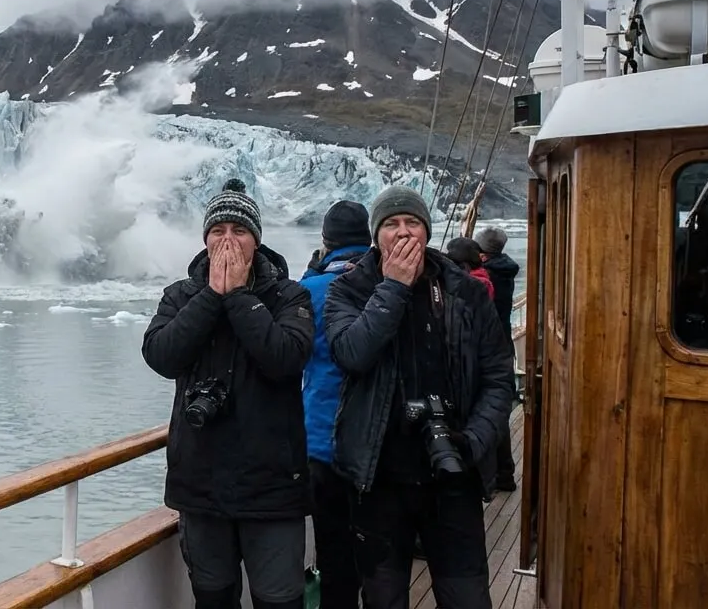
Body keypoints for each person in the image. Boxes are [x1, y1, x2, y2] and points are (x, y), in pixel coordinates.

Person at [324, 185, 515, 609]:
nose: (404, 233)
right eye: (392, 224)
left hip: (453, 473)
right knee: (383, 598)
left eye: (413, 223)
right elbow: (352, 354)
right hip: (377, 478)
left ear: (427, 231)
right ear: (376, 235)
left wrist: (474, 442)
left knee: (467, 597)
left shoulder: (465, 291)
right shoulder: (349, 290)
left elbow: (500, 378)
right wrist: (392, 287)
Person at [142, 178, 316, 609]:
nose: (228, 241)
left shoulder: (287, 296)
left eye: (239, 231)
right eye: (218, 231)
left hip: (272, 487)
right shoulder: (180, 296)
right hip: (201, 486)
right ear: (205, 239)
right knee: (213, 598)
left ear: (256, 241)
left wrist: (238, 296)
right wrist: (209, 297)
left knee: (280, 600)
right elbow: (161, 356)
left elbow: (285, 358)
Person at [298, 200, 372, 609]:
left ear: (325, 242)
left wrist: (312, 273)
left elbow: (297, 351)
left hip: (322, 440)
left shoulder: (310, 290)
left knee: (334, 549)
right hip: (377, 442)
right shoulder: (385, 282)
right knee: (379, 553)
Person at [474, 226, 520, 493]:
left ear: (483, 255)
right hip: (504, 343)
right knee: (500, 407)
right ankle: (505, 473)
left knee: (487, 408)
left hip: (489, 348)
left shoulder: (485, 277)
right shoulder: (505, 271)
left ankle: (494, 475)